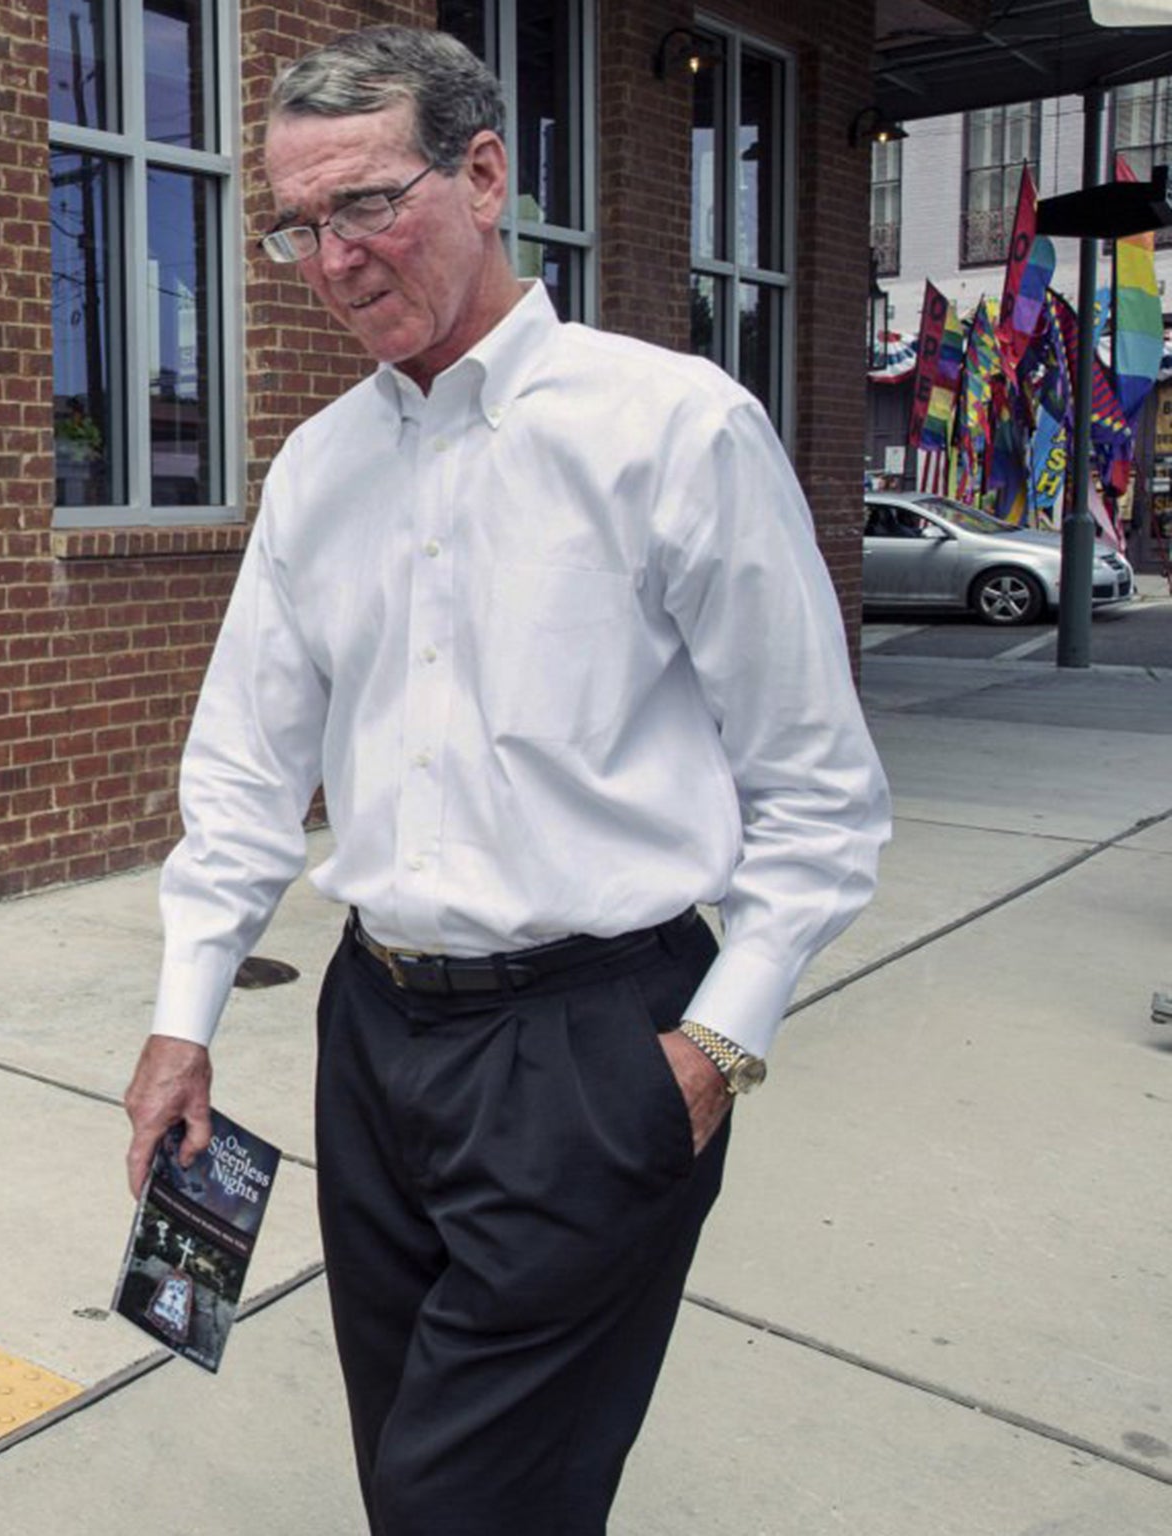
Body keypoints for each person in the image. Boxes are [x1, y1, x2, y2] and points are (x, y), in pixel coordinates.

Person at [121, 25, 890, 1535]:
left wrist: (715, 1049)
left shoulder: (670, 429)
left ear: (485, 176)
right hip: (377, 1034)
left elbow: (819, 795)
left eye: (365, 206)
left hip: (594, 1050)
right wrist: (181, 1024)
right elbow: (244, 773)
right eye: (296, 226)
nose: (333, 259)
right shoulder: (318, 472)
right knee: (411, 1459)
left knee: (453, 1501)